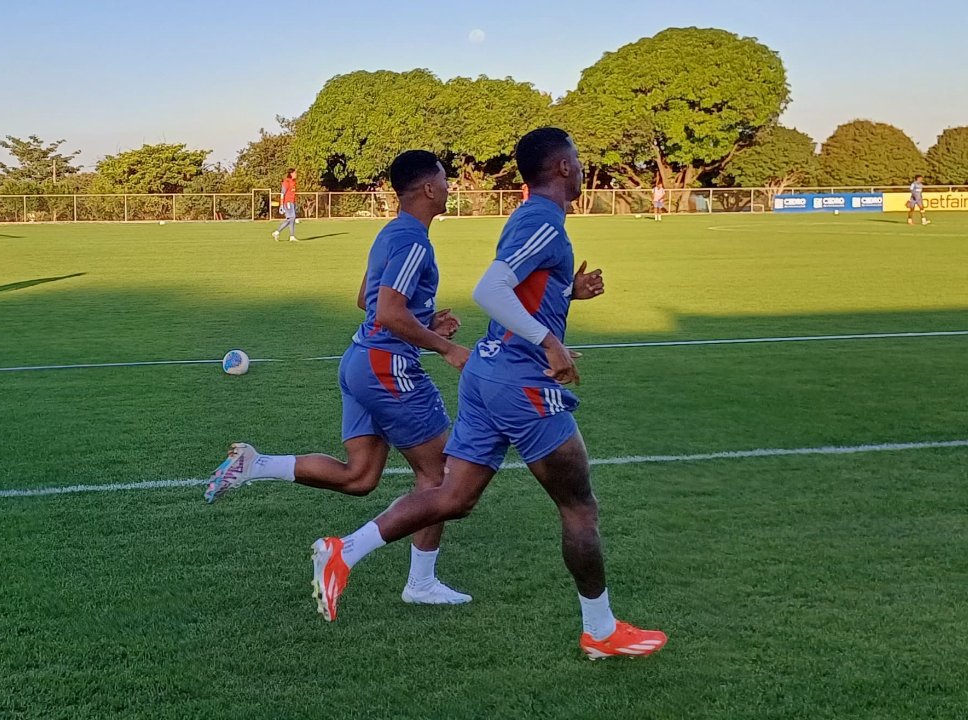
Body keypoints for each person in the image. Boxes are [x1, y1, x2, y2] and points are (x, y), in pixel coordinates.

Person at [308, 128, 667, 661]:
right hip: (521, 386)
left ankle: (345, 551)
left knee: (454, 497)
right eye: (578, 158)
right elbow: (490, 290)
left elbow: (519, 289)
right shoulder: (543, 221)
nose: (583, 166)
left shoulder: (529, 220)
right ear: (563, 167)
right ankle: (600, 630)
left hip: (488, 376)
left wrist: (570, 293)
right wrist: (550, 342)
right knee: (580, 507)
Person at [208, 150, 473, 606]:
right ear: (429, 188)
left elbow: (364, 302)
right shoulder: (414, 241)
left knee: (361, 476)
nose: (450, 187)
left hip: (358, 360)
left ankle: (256, 464)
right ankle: (412, 580)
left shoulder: (390, 233)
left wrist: (427, 321)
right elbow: (387, 312)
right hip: (388, 368)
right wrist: (445, 345)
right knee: (441, 476)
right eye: (446, 180)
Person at [272, 169, 297, 242]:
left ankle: (291, 236)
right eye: (295, 173)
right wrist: (281, 204)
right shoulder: (286, 182)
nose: (296, 174)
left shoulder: (293, 182)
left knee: (291, 219)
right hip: (287, 202)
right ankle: (277, 232)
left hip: (292, 202)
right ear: (291, 173)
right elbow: (282, 193)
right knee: (292, 218)